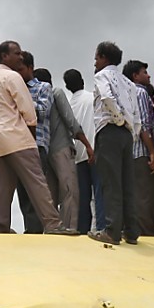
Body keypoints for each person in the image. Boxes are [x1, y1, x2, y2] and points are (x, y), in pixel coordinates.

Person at [0, 41, 66, 234]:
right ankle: (53, 224)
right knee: (37, 183)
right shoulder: (13, 76)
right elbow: (28, 111)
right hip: (17, 137)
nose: (21, 57)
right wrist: (31, 137)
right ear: (4, 56)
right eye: (17, 53)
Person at [90, 41, 142, 245]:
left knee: (111, 182)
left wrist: (117, 118)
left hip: (109, 130)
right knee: (127, 182)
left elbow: (106, 97)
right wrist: (131, 130)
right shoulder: (129, 83)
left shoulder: (101, 76)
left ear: (103, 57)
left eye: (96, 57)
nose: (95, 62)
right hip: (127, 135)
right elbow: (137, 114)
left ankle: (112, 231)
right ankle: (132, 231)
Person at [35, 65, 94, 233]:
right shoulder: (56, 93)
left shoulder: (36, 99)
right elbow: (71, 121)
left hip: (46, 151)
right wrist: (87, 145)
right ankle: (68, 228)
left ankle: (51, 228)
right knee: (70, 191)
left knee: (51, 194)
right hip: (61, 148)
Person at [65, 69, 104, 236]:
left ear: (67, 86)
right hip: (95, 150)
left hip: (78, 155)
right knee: (100, 193)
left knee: (83, 197)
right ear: (82, 80)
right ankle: (101, 228)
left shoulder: (69, 105)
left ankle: (83, 230)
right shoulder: (92, 98)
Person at [123, 60, 154, 236]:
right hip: (140, 151)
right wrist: (152, 152)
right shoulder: (140, 93)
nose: (148, 75)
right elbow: (144, 125)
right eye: (144, 72)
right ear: (135, 76)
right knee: (145, 198)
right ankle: (146, 234)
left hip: (125, 152)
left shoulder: (122, 93)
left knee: (130, 196)